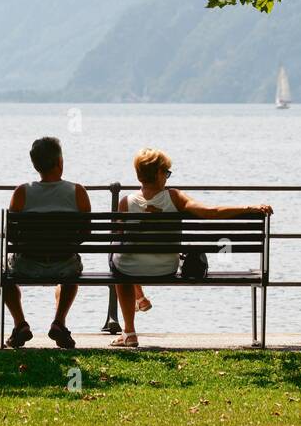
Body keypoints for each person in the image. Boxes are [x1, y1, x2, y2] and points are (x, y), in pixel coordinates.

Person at [110, 148, 273, 347]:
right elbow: (210, 212)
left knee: (118, 261)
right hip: (166, 268)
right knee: (124, 260)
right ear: (159, 173)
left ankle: (129, 331)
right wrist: (249, 208)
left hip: (130, 269)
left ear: (139, 175)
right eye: (167, 173)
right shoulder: (175, 197)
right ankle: (139, 298)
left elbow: (117, 237)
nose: (167, 178)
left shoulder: (125, 202)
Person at [0, 135, 90, 350]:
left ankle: (20, 324)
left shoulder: (22, 192)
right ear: (60, 162)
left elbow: (12, 236)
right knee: (73, 266)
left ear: (35, 165)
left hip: (27, 265)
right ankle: (59, 322)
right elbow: (86, 232)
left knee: (1, 269)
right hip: (64, 264)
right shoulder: (77, 192)